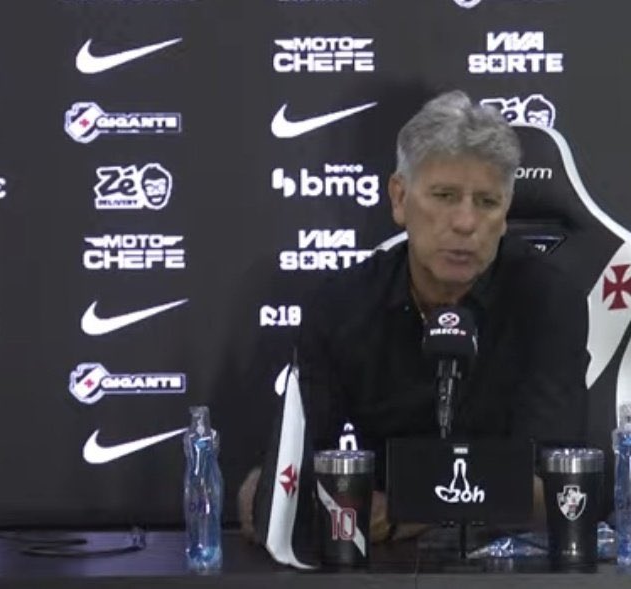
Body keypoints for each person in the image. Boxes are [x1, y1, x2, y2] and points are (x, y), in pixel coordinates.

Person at [238, 90, 589, 543]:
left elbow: (556, 485)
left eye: (487, 202)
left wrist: (408, 509)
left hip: (507, 553)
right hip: (381, 556)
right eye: (444, 196)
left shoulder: (548, 299)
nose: (465, 222)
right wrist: (270, 495)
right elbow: (288, 474)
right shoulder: (344, 304)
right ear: (400, 198)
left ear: (506, 213)